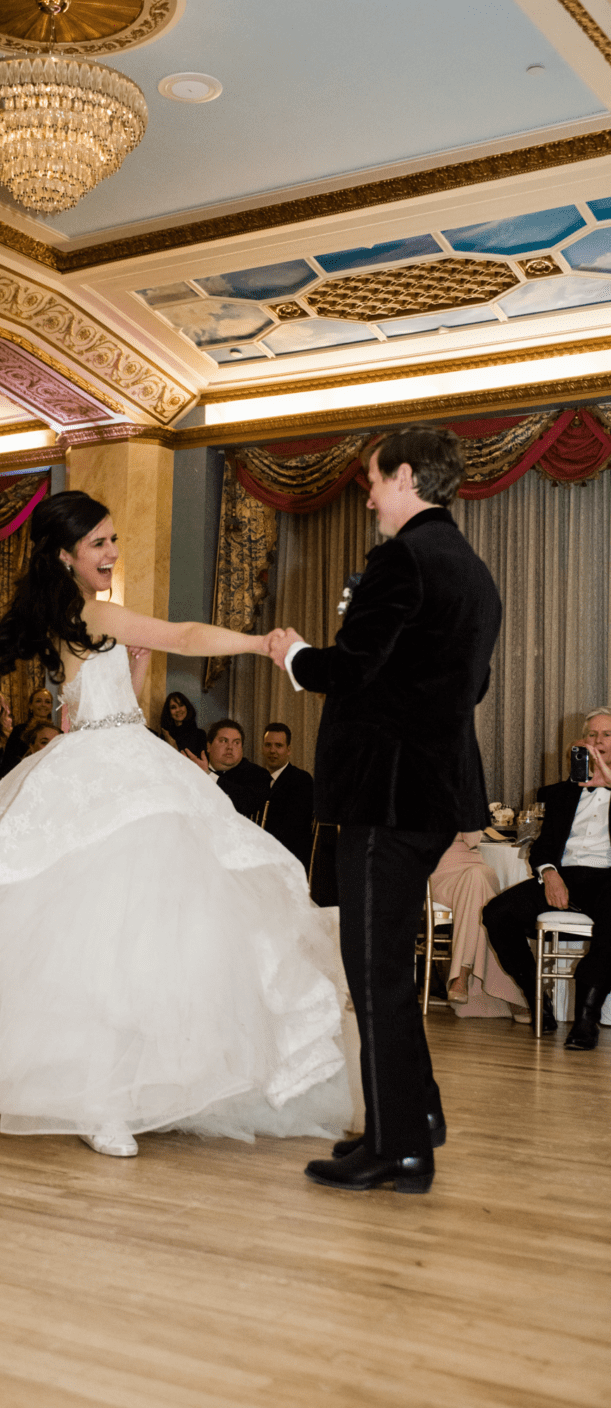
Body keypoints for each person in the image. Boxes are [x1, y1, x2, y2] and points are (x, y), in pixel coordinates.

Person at [0, 490, 361, 1159]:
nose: (111, 552)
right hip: (109, 774)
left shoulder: (64, 618)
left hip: (115, 758)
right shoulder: (91, 610)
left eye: (111, 540)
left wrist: (131, 673)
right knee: (107, 938)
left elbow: (88, 713)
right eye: (99, 542)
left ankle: (133, 1089)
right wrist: (261, 643)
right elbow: (184, 637)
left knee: (141, 934)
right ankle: (100, 1097)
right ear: (66, 554)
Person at [270, 423, 502, 1194]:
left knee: (374, 972)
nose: (367, 493)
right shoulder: (472, 570)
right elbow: (468, 687)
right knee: (387, 969)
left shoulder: (401, 558)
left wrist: (297, 656)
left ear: (405, 477)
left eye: (373, 478)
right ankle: (417, 1115)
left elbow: (354, 665)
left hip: (386, 791)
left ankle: (399, 1149)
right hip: (433, 792)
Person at [482, 708, 611, 1051]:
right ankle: (537, 998)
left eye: (607, 735)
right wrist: (550, 873)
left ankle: (586, 1018)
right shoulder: (558, 794)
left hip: (609, 880)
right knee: (497, 913)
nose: (598, 742)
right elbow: (542, 849)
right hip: (565, 876)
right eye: (592, 735)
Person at [429, 833, 526, 1019]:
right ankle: (511, 993)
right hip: (440, 870)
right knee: (480, 896)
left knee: (476, 879)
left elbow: (473, 839)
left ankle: (461, 975)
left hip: (474, 864)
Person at [186, 719, 269, 820]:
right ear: (209, 746)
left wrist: (208, 775)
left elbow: (247, 804)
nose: (230, 747)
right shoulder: (192, 770)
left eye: (236, 743)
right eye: (223, 741)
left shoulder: (258, 774)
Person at [261, 723, 314, 871]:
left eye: (278, 745)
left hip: (289, 861)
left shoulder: (302, 780)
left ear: (288, 750)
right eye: (268, 745)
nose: (272, 750)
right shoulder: (256, 778)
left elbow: (295, 828)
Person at [2, 686, 54, 771]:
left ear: (51, 706)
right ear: (30, 706)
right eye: (38, 701)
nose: (43, 704)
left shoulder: (57, 733)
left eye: (47, 702)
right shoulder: (19, 731)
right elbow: (8, 761)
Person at [159, 691, 207, 757]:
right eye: (173, 707)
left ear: (187, 707)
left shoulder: (200, 735)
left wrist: (174, 747)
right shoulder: (165, 736)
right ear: (168, 712)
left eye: (181, 705)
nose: (178, 710)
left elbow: (202, 764)